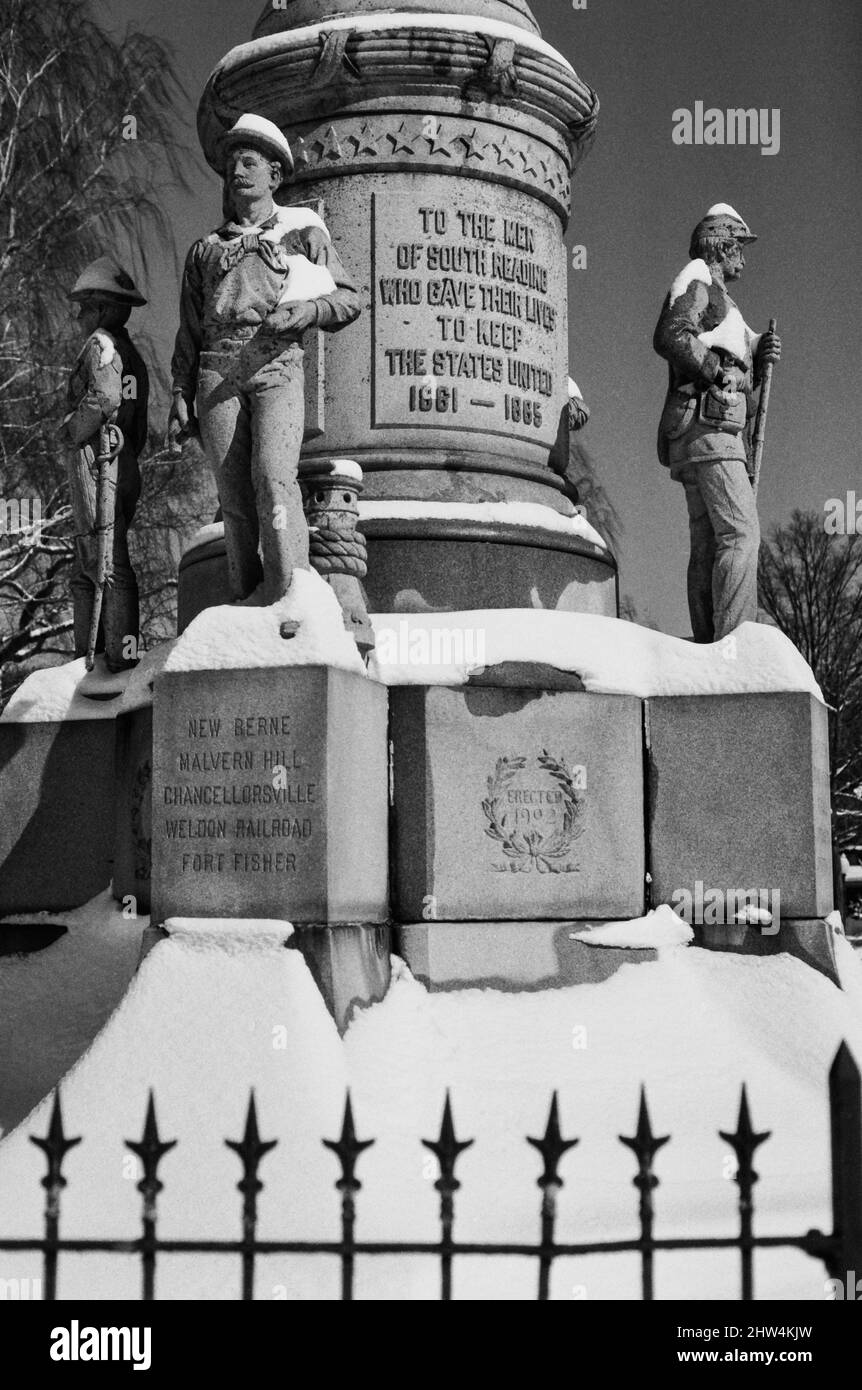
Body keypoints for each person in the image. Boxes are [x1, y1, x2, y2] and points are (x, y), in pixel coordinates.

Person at [168, 112, 362, 604]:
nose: (238, 172)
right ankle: (244, 601)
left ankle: (290, 593)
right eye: (232, 163)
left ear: (275, 174)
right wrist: (178, 392)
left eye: (249, 162)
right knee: (234, 502)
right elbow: (189, 330)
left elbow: (350, 299)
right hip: (216, 373)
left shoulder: (301, 234)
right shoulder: (206, 250)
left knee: (274, 477)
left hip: (276, 364)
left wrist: (306, 311)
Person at [653, 204, 781, 642]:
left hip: (711, 433)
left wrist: (760, 351)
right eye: (739, 248)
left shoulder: (723, 298)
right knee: (741, 534)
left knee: (708, 544)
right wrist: (715, 370)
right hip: (710, 431)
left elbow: (740, 361)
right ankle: (734, 644)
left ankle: (711, 644)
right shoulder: (699, 281)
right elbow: (672, 336)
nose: (743, 258)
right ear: (723, 246)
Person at [62, 256, 149, 671]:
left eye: (85, 307)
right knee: (101, 559)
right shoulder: (132, 353)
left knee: (98, 561)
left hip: (97, 461)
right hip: (121, 460)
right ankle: (112, 651)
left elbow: (105, 398)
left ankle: (105, 656)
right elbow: (141, 421)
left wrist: (70, 430)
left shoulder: (101, 344)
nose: (79, 315)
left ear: (101, 309)